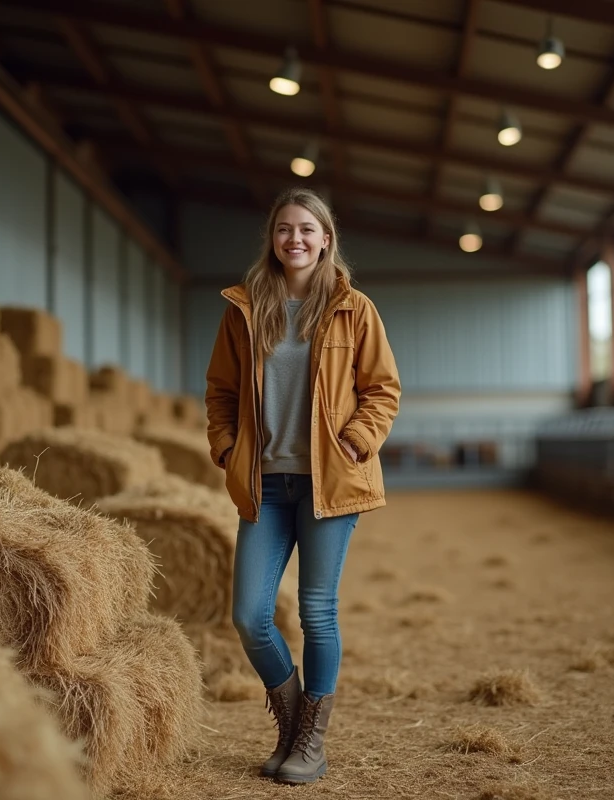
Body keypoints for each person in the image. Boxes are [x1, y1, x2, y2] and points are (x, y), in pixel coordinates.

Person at [204, 187, 401, 785]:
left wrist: (356, 441)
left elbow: (382, 389)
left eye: (306, 229)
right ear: (273, 238)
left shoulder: (353, 309)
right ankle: (293, 724)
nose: (295, 238)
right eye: (285, 229)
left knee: (317, 612)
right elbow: (220, 392)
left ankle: (310, 742)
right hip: (265, 484)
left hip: (329, 482)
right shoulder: (244, 309)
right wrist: (227, 448)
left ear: (325, 239)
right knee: (249, 616)